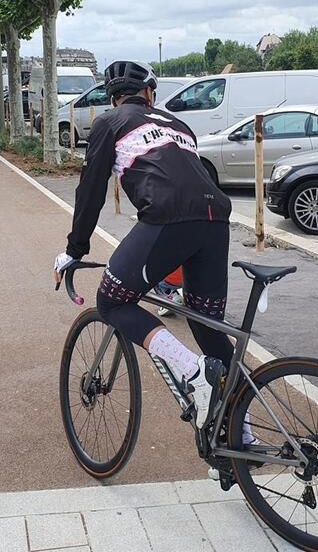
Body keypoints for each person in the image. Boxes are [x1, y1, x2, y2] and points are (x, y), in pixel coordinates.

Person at [53, 61, 235, 431]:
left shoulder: (110, 122)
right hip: (217, 220)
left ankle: (192, 370)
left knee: (111, 302)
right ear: (150, 93)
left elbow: (91, 190)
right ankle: (237, 433)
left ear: (113, 97)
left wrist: (75, 249)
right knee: (206, 323)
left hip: (167, 218)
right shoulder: (179, 125)